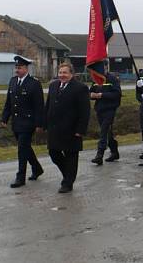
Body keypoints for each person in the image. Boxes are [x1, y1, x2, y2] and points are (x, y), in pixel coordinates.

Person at [44, 62, 90, 193]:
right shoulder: (53, 86)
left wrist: (80, 130)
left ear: (72, 74)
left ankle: (68, 183)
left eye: (65, 73)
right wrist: (44, 123)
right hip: (54, 128)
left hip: (71, 129)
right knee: (54, 153)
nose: (62, 75)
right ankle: (68, 175)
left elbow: (84, 111)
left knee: (71, 157)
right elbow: (48, 106)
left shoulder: (80, 88)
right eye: (60, 72)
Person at [1, 56, 45, 188]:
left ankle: (20, 177)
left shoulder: (34, 83)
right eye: (16, 67)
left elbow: (39, 106)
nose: (16, 70)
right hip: (16, 122)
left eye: (19, 68)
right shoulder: (13, 81)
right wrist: (4, 118)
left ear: (26, 68)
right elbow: (9, 102)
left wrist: (39, 124)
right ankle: (37, 168)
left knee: (21, 149)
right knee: (25, 147)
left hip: (28, 122)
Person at [89, 62, 122, 165]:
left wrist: (102, 95)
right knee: (107, 132)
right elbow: (91, 93)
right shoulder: (96, 80)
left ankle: (99, 155)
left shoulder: (112, 79)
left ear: (106, 67)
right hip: (100, 109)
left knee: (103, 131)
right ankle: (114, 152)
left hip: (110, 109)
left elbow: (117, 94)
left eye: (102, 67)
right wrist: (92, 95)